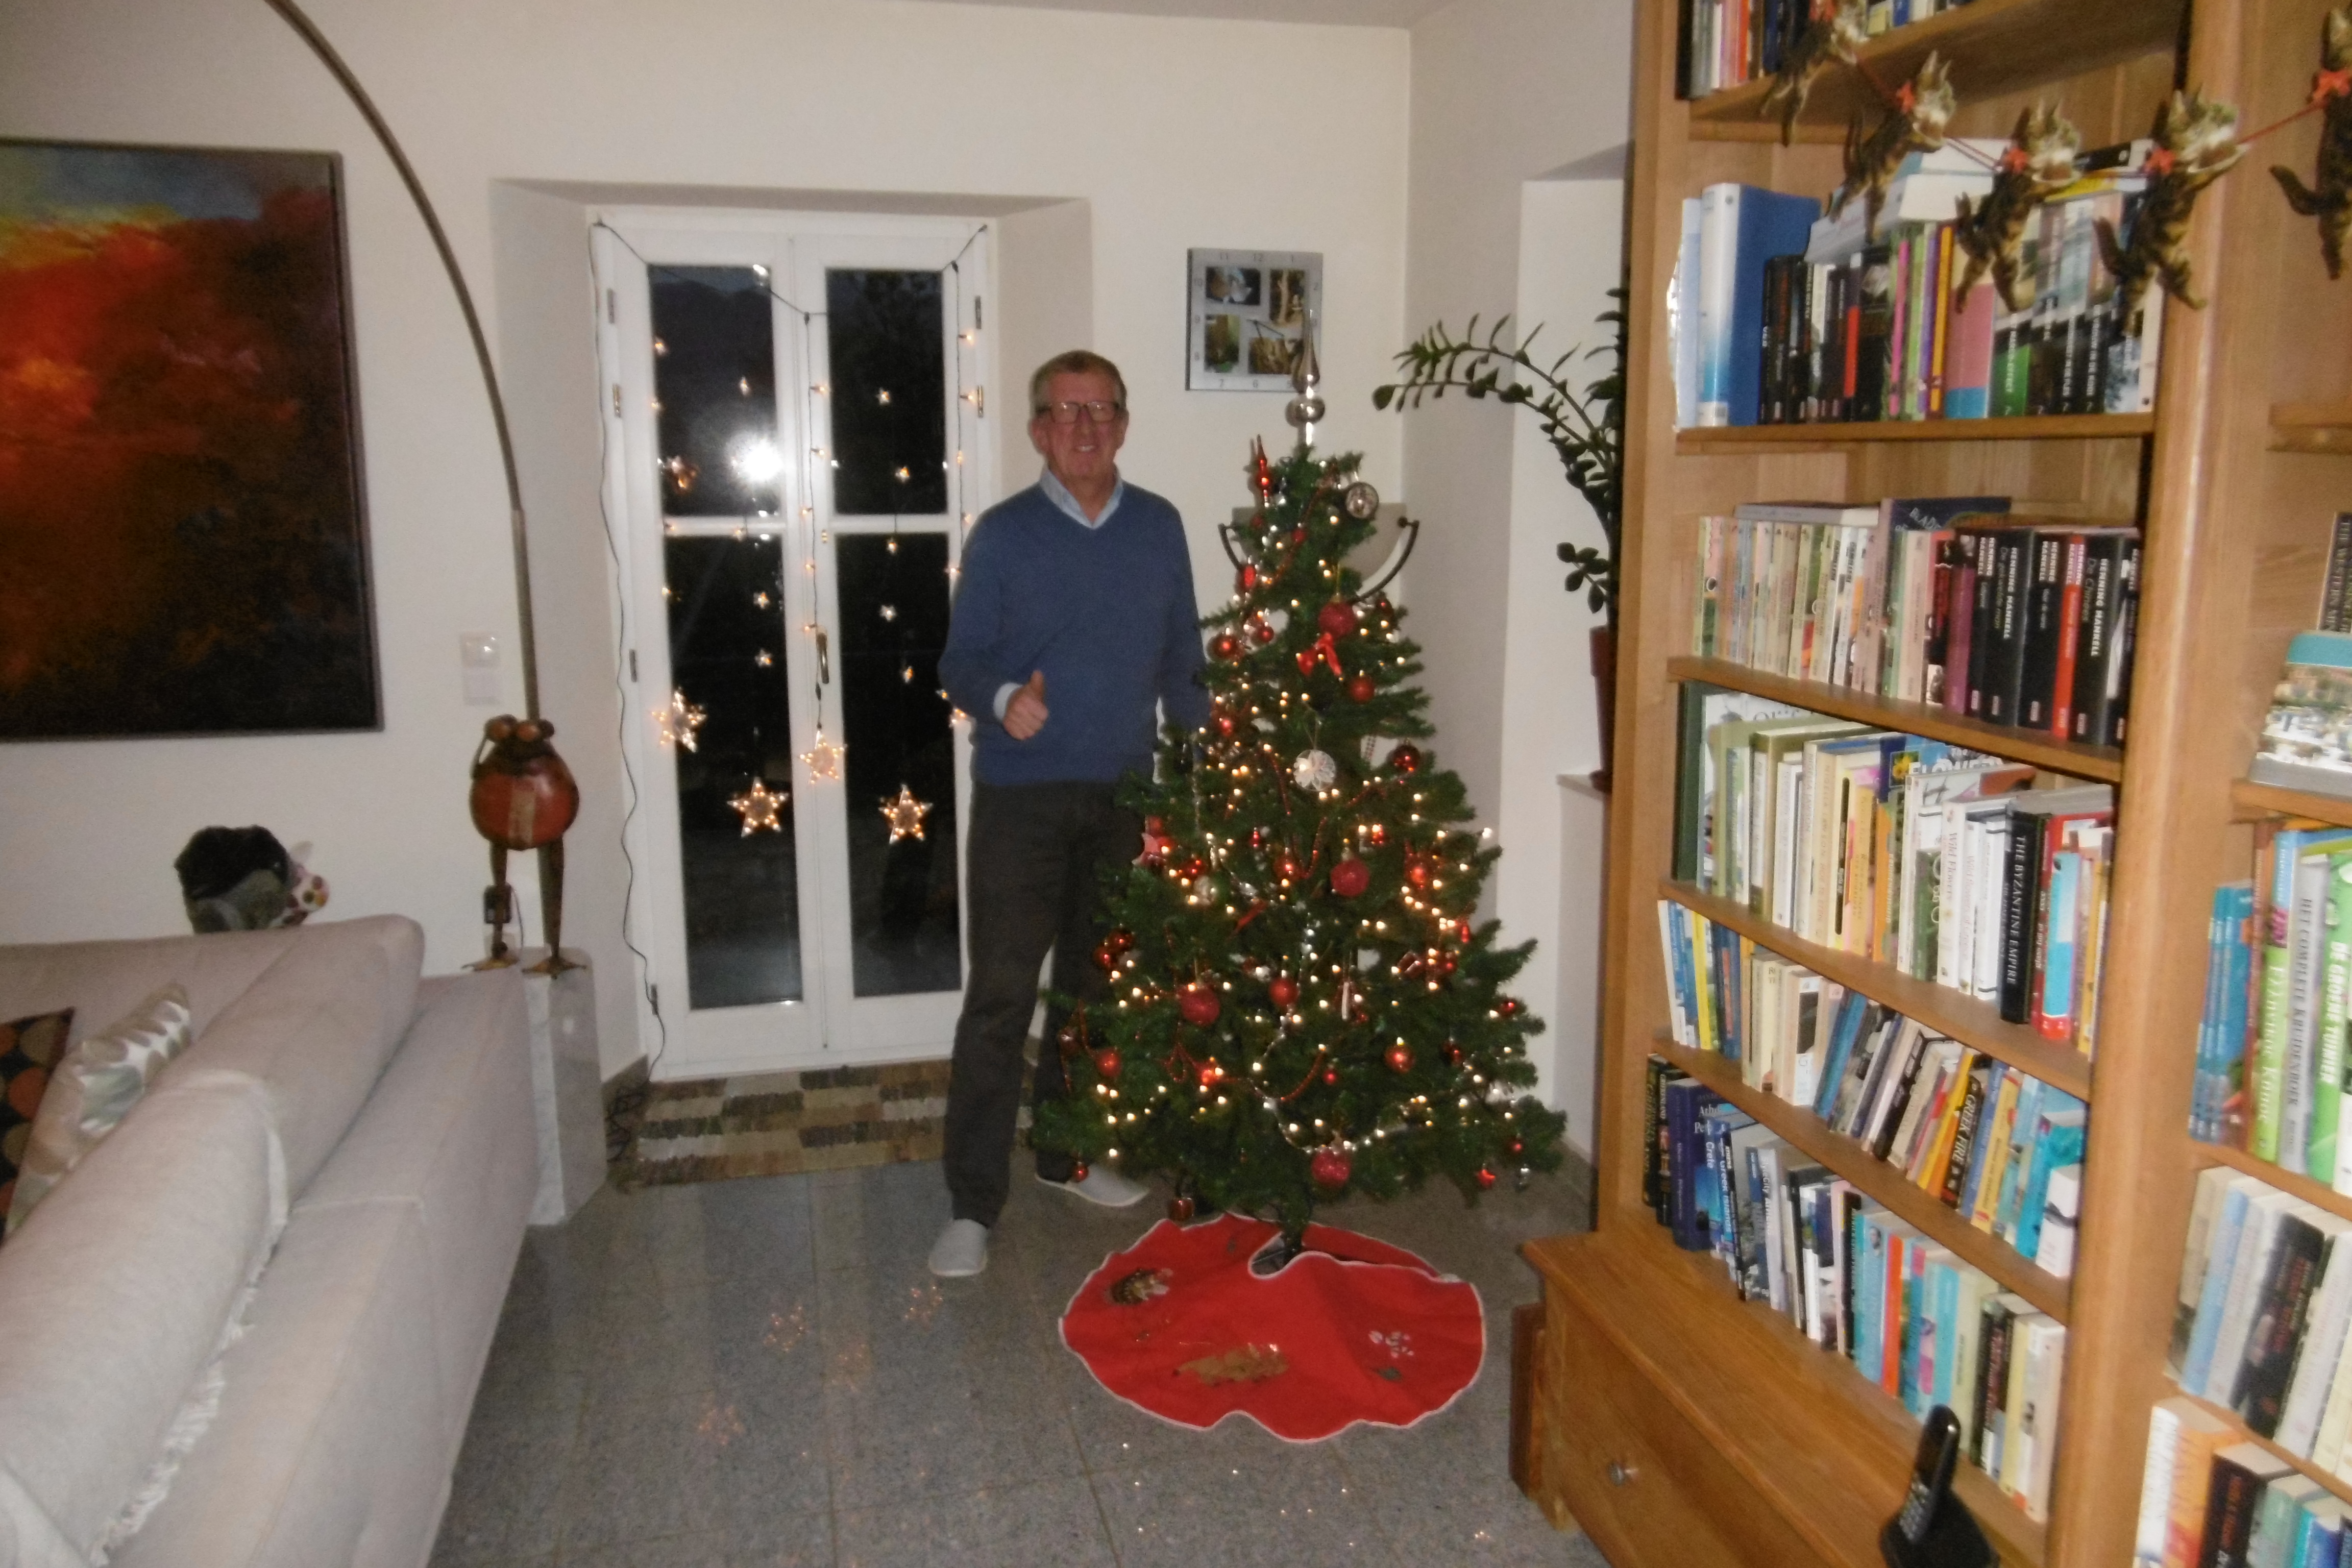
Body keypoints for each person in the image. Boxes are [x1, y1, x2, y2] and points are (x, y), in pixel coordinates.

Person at [928, 350, 1213, 1279]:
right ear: (1039, 431)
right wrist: (1003, 696)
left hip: (1125, 796)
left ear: (1123, 425)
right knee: (1002, 999)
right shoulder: (1005, 535)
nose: (1084, 427)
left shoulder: (1160, 527)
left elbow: (1183, 662)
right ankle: (973, 1204)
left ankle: (1067, 1154)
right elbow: (959, 661)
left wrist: (1199, 772)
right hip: (1022, 800)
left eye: (1100, 411)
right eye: (1066, 411)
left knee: (1094, 997)